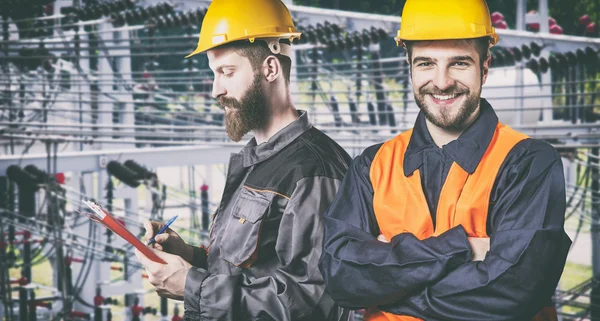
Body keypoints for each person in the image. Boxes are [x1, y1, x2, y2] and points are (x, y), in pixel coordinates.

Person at [318, 0, 572, 320]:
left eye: (459, 63)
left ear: (485, 68)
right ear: (409, 67)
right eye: (425, 63)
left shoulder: (528, 163)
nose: (441, 82)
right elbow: (340, 276)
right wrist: (460, 249)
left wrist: (390, 288)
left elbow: (515, 289)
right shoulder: (372, 165)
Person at [134, 0, 351, 320]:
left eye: (227, 72)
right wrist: (190, 257)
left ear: (271, 69)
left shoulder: (313, 171)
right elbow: (253, 269)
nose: (215, 90)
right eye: (213, 74)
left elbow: (313, 301)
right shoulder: (257, 161)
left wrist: (193, 287)